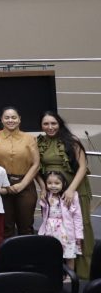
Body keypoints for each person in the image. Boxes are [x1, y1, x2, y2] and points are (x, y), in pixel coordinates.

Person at [38, 110, 94, 278]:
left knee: (80, 227)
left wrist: (71, 189)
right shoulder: (39, 142)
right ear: (41, 125)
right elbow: (35, 168)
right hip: (53, 191)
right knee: (56, 228)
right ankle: (61, 270)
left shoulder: (72, 141)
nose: (50, 127)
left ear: (60, 123)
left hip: (75, 188)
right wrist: (42, 188)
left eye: (53, 123)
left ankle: (84, 271)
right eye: (46, 123)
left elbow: (83, 167)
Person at [0, 107, 40, 237]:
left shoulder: (30, 138)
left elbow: (36, 164)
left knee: (26, 225)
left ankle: (26, 256)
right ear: (1, 120)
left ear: (19, 119)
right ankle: (7, 256)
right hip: (2, 185)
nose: (10, 120)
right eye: (7, 117)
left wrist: (22, 185)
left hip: (25, 184)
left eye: (13, 117)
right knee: (5, 226)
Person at [39, 171, 84, 276]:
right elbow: (45, 213)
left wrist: (79, 234)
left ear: (63, 183)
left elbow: (77, 217)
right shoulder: (46, 195)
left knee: (69, 255)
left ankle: (70, 276)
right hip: (50, 230)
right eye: (49, 183)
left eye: (57, 183)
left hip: (66, 231)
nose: (53, 186)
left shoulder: (72, 196)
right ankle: (54, 274)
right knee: (52, 253)